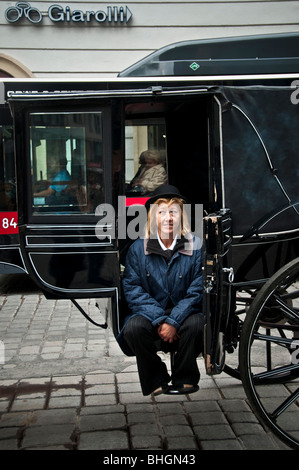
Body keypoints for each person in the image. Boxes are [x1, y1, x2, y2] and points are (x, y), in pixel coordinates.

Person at [117, 185, 205, 396]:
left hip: (185, 312)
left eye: (173, 211)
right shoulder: (138, 249)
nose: (168, 218)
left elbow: (197, 290)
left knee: (197, 324)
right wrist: (160, 321)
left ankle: (185, 377)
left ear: (181, 216)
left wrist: (174, 321)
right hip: (150, 313)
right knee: (133, 328)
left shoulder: (196, 246)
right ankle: (156, 378)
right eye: (162, 212)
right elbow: (132, 288)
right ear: (153, 218)